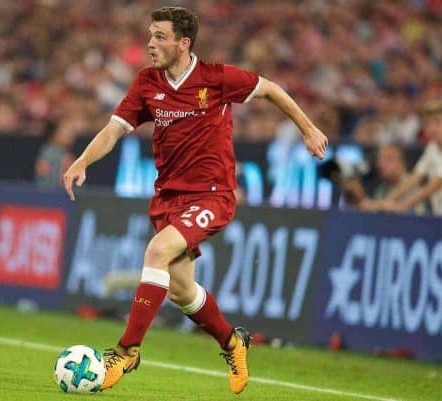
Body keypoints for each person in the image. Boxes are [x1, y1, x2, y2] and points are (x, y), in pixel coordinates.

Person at [63, 7, 328, 394]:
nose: (150, 44)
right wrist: (83, 160)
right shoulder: (146, 83)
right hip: (168, 197)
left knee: (156, 253)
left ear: (183, 43)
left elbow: (271, 88)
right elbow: (114, 129)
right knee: (181, 290)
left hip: (212, 195)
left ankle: (127, 350)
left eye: (160, 37)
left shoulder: (217, 78)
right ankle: (233, 341)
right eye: (150, 36)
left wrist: (308, 129)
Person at [380, 100, 442, 216]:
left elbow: (436, 184)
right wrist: (386, 201)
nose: (432, 128)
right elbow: (415, 177)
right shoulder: (432, 147)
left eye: (437, 122)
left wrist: (403, 206)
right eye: (428, 123)